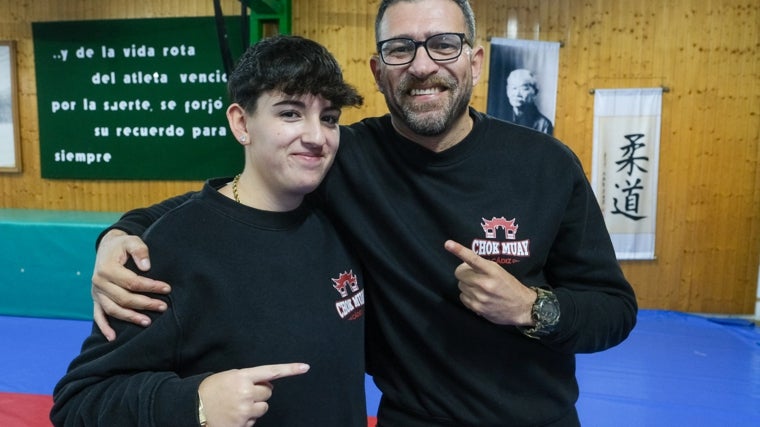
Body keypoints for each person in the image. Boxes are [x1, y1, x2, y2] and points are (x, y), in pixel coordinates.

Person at [91, 0, 638, 426]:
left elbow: (612, 309)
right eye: (401, 49)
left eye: (444, 45)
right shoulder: (340, 155)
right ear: (379, 70)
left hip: (542, 420)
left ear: (475, 60)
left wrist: (531, 308)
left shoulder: (546, 164)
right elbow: (234, 195)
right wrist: (122, 233)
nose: (423, 66)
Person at [50, 35, 367, 427]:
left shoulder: (338, 213)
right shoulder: (174, 248)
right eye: (289, 113)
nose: (317, 136)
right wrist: (192, 403)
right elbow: (78, 402)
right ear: (241, 122)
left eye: (329, 118)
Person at [504, 68, 554, 134]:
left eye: (524, 89)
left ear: (535, 92)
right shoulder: (501, 117)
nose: (517, 94)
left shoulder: (543, 124)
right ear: (507, 91)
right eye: (514, 88)